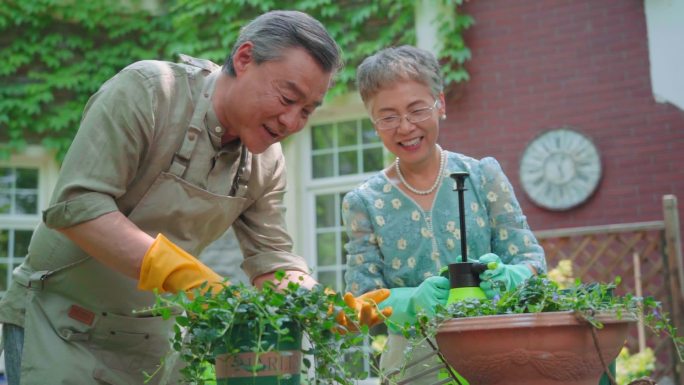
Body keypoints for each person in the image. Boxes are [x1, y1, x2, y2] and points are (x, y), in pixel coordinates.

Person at [0, 10, 390, 385]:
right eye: (287, 99)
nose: (292, 122)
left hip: (154, 345)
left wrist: (320, 305)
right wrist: (180, 273)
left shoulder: (266, 162)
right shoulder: (150, 92)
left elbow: (272, 261)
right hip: (60, 328)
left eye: (307, 111)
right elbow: (79, 207)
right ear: (244, 58)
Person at [342, 45, 547, 384]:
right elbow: (363, 298)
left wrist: (510, 277)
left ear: (441, 105)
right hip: (413, 367)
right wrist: (411, 302)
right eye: (388, 116)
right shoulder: (364, 202)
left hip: (497, 357)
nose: (406, 127)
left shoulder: (483, 176)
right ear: (374, 123)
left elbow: (532, 262)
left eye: (417, 109)